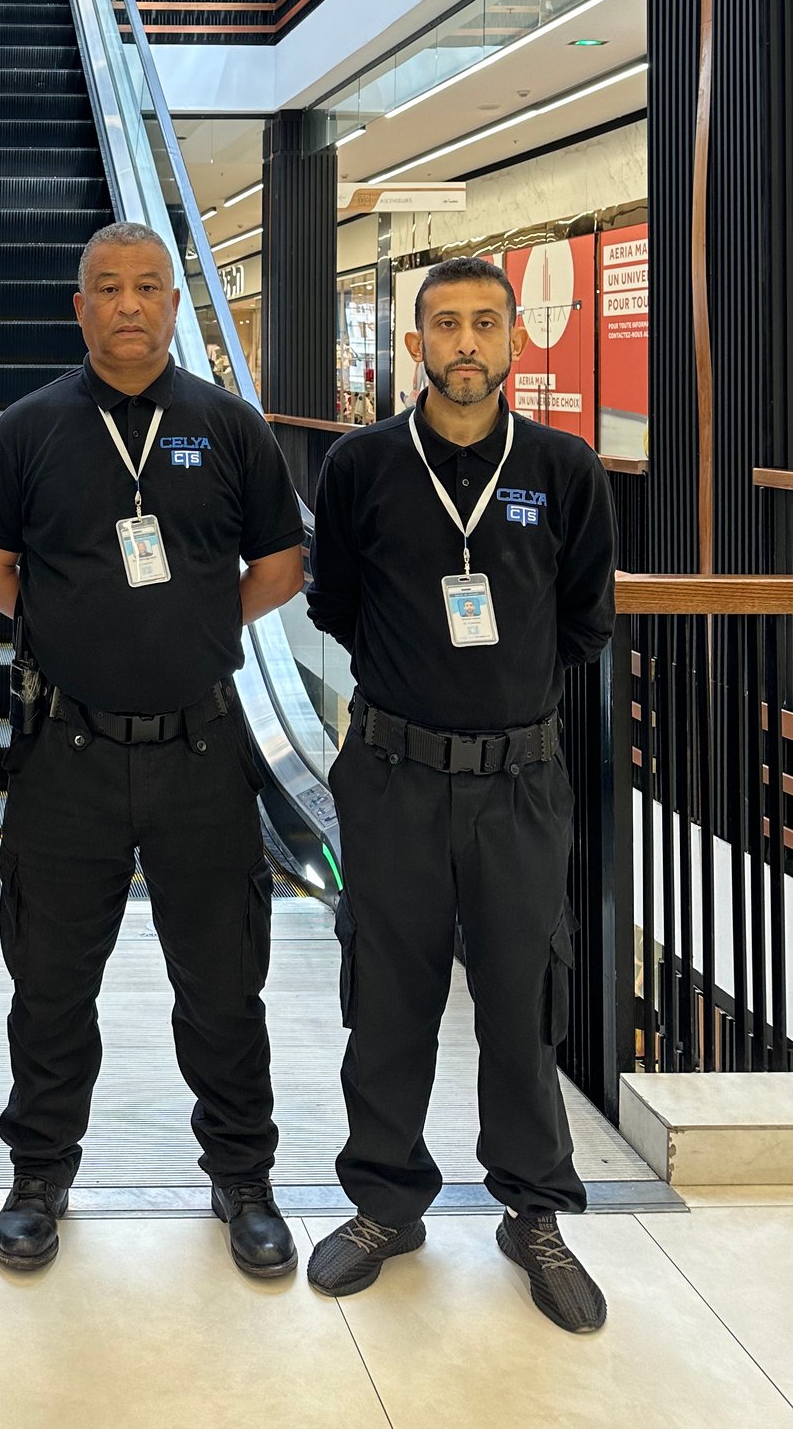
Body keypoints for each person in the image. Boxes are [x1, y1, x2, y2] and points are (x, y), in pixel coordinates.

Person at [0, 222, 305, 1278]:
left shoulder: (229, 425)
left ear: (171, 303)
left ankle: (242, 1176)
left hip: (201, 751)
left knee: (224, 980)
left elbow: (281, 564)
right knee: (51, 984)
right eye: (105, 288)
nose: (126, 304)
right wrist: (78, 641)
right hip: (65, 755)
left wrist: (193, 639)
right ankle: (40, 1175)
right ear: (79, 307)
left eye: (147, 287)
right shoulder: (29, 429)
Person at [305, 255, 616, 1334]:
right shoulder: (362, 467)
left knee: (523, 1004)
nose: (466, 343)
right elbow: (338, 604)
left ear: (516, 339)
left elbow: (583, 620)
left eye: (486, 323)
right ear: (415, 345)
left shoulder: (566, 470)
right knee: (387, 996)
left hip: (520, 785)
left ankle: (534, 1211)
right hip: (392, 777)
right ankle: (386, 1201)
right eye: (445, 325)